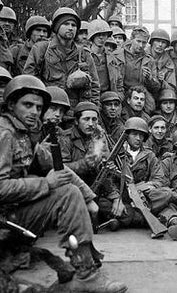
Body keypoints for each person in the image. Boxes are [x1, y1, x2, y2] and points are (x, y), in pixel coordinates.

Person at [0, 75, 126, 292]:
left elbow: (58, 169)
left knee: (69, 191)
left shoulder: (25, 133)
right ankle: (86, 274)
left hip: (13, 215)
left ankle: (85, 271)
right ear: (11, 105)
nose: (34, 112)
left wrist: (89, 198)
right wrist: (46, 184)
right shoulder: (5, 133)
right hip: (5, 218)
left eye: (38, 107)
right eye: (27, 105)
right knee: (66, 193)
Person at [24, 7, 101, 108]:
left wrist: (92, 109)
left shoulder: (83, 53)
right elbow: (30, 80)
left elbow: (95, 86)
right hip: (50, 107)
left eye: (73, 25)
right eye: (66, 24)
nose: (70, 28)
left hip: (77, 110)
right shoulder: (41, 49)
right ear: (56, 27)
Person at [120, 26, 157, 114]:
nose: (141, 45)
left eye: (144, 43)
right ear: (131, 39)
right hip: (123, 90)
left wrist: (149, 79)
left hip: (141, 92)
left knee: (150, 107)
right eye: (138, 41)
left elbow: (156, 86)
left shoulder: (149, 60)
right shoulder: (120, 55)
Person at [87, 19, 125, 100]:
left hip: (108, 98)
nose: (101, 37)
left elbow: (119, 81)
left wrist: (119, 96)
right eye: (98, 34)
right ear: (92, 36)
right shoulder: (85, 56)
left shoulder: (112, 58)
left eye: (104, 35)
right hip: (89, 97)